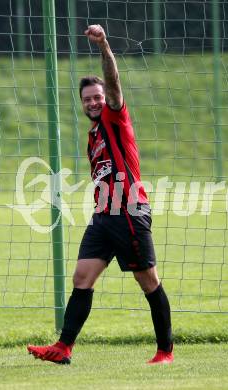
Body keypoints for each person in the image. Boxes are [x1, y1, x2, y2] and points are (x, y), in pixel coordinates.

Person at [28, 24, 173, 365]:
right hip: (103, 217)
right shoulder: (93, 136)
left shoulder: (115, 118)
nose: (93, 102)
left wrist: (104, 46)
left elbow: (114, 81)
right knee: (82, 277)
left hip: (129, 213)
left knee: (148, 280)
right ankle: (62, 348)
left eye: (97, 96)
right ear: (81, 104)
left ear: (105, 97)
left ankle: (165, 352)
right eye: (88, 99)